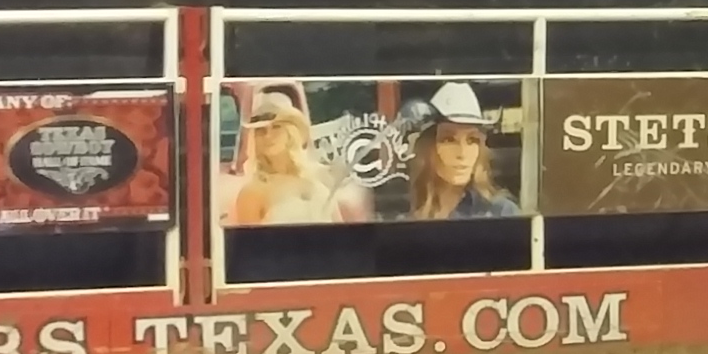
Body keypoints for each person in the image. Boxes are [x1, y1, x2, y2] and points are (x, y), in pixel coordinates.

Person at [223, 86, 369, 226]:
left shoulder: (320, 176)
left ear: (290, 131)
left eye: (276, 127)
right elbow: (248, 241)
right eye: (260, 130)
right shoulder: (253, 192)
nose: (268, 135)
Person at [403, 83, 522, 220]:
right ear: (428, 146)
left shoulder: (501, 212)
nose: (462, 153)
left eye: (472, 140)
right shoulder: (403, 209)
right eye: (449, 140)